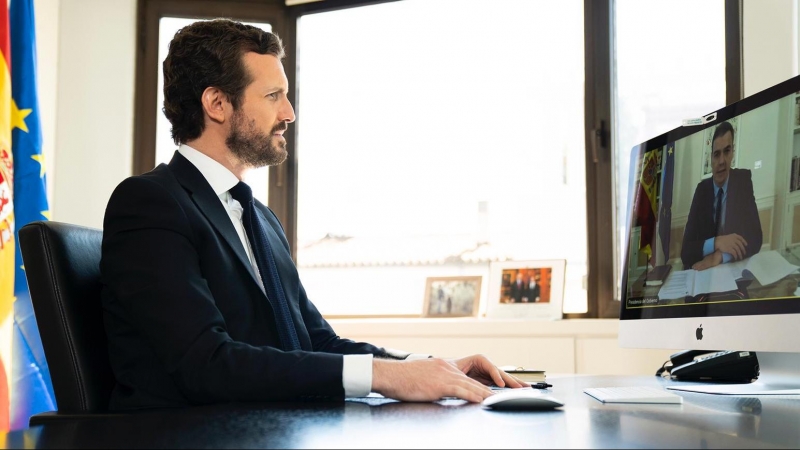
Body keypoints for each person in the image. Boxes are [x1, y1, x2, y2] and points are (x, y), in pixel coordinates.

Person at [100, 19, 525, 411]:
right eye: (273, 96)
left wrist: (428, 366)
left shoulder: (260, 219)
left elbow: (316, 340)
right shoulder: (150, 202)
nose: (289, 113)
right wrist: (383, 377)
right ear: (216, 103)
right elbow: (206, 363)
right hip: (191, 434)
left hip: (269, 423)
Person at [681, 121, 762, 271]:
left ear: (732, 153)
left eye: (727, 151)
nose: (722, 161)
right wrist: (717, 242)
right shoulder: (701, 190)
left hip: (733, 271)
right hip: (705, 274)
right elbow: (686, 252)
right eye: (717, 154)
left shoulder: (743, 181)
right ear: (710, 158)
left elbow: (756, 238)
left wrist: (721, 256)